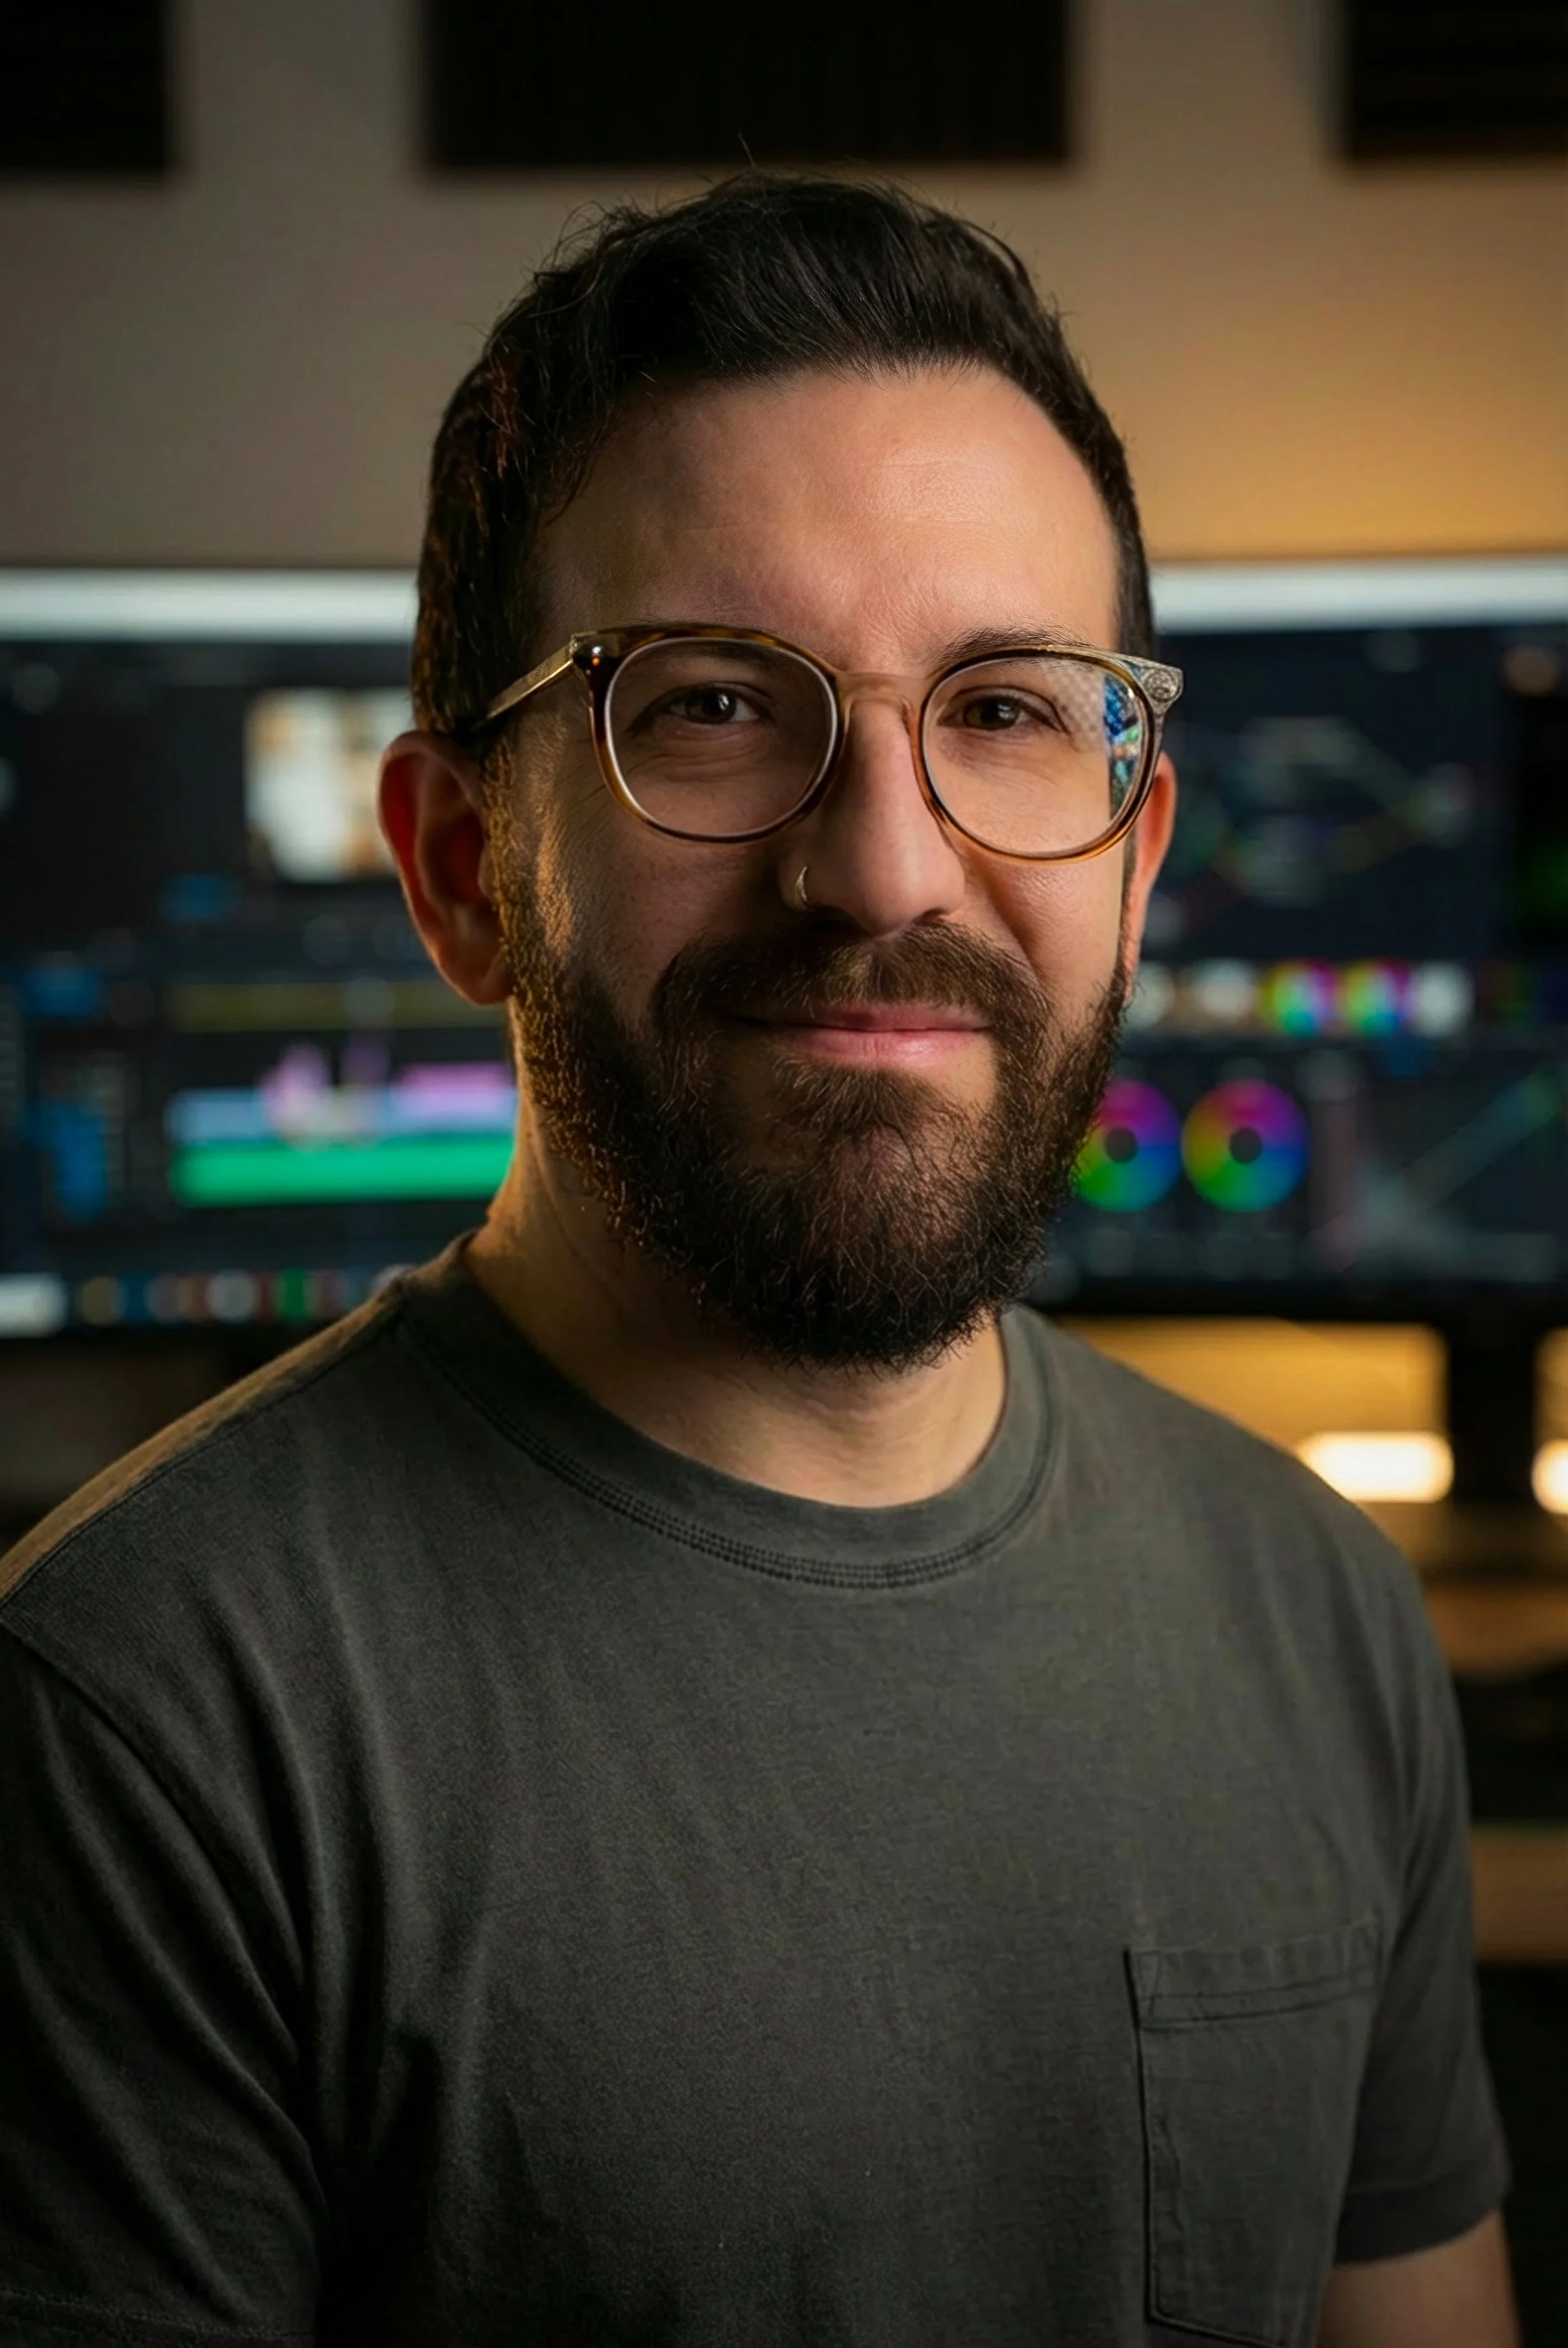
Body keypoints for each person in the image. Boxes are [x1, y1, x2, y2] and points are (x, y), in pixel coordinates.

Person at [0, 179, 1515, 2348]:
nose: (884, 862)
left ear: (1138, 852)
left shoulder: (1319, 1618)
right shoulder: (143, 1723)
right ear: (458, 870)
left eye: (1004, 708)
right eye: (712, 705)